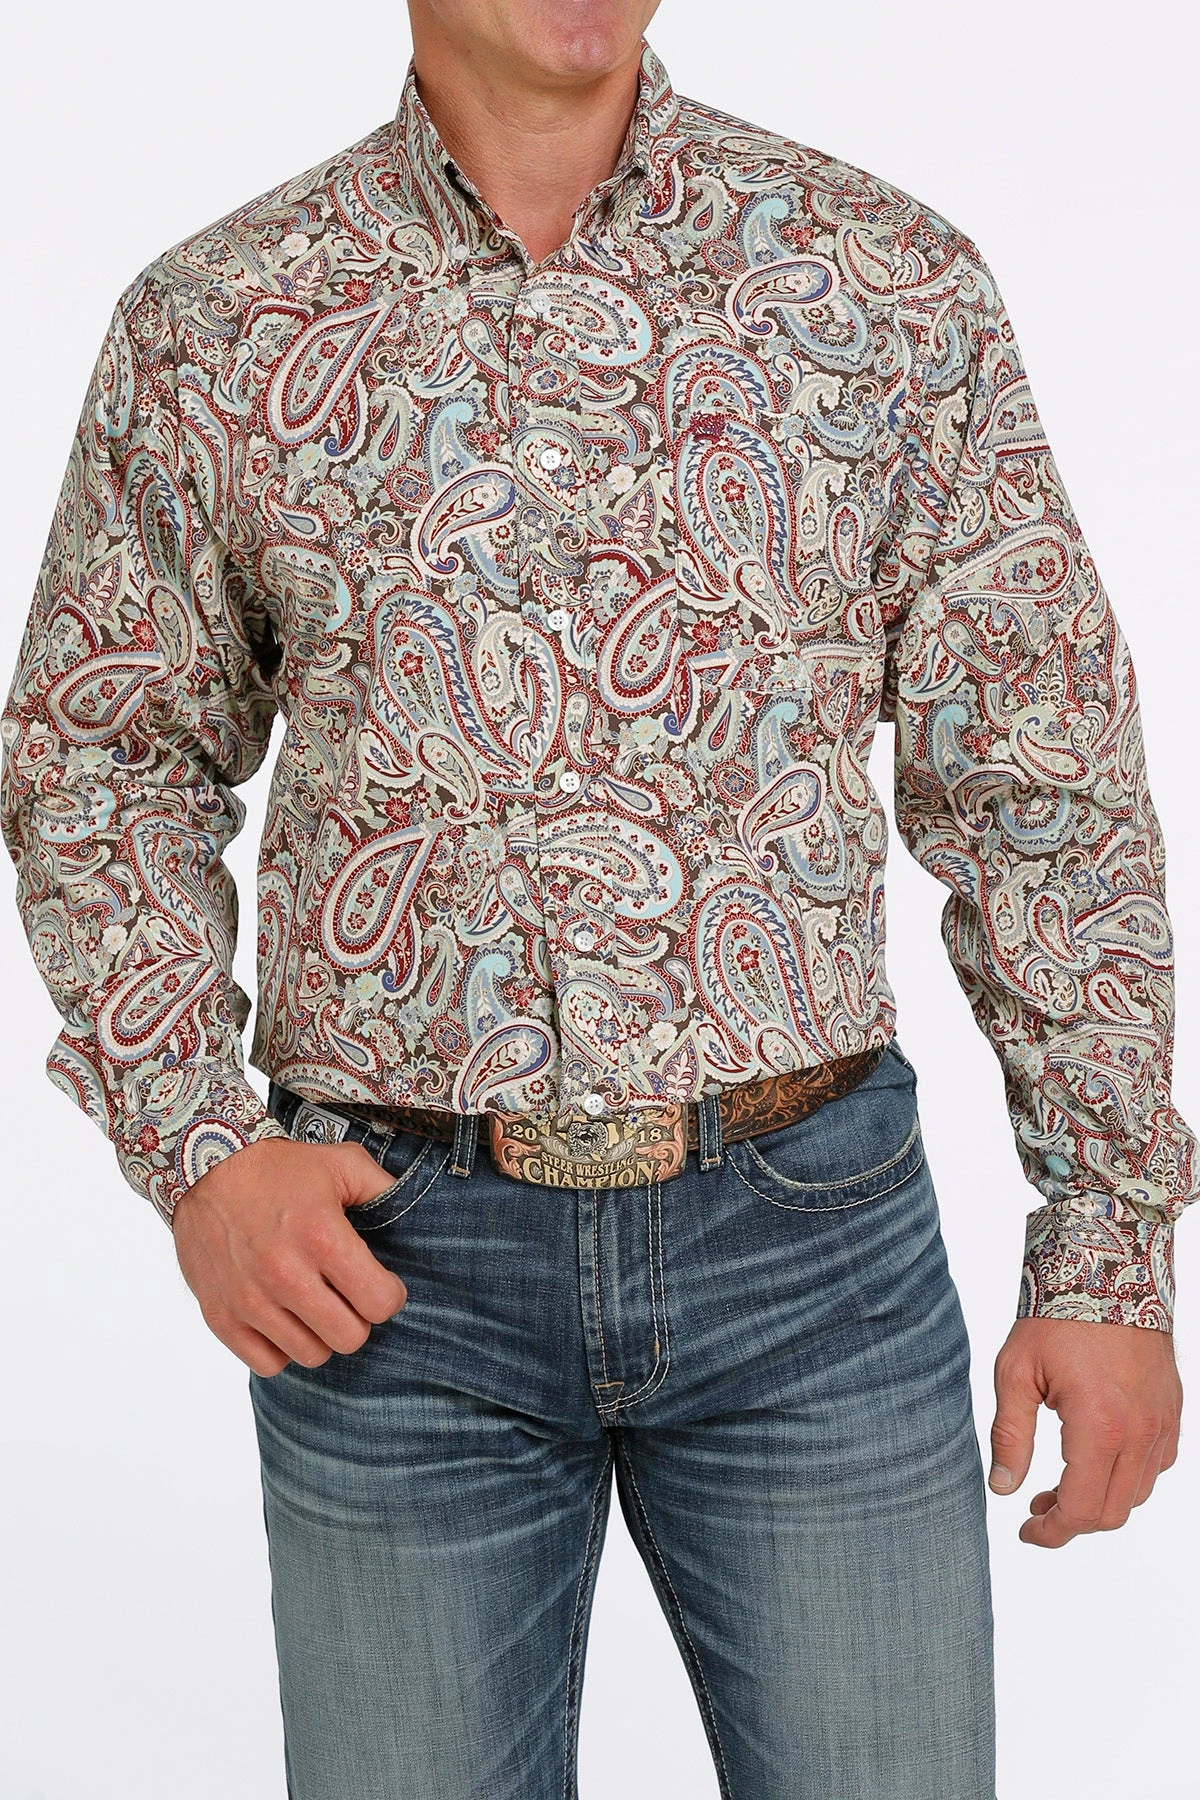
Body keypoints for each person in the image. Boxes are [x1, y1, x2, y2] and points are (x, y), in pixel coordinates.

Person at [2, 1, 1193, 1794]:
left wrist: (1109, 1253)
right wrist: (196, 1149)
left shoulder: (885, 284)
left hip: (812, 1257)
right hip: (394, 1281)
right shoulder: (220, 323)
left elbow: (1043, 781)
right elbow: (100, 759)